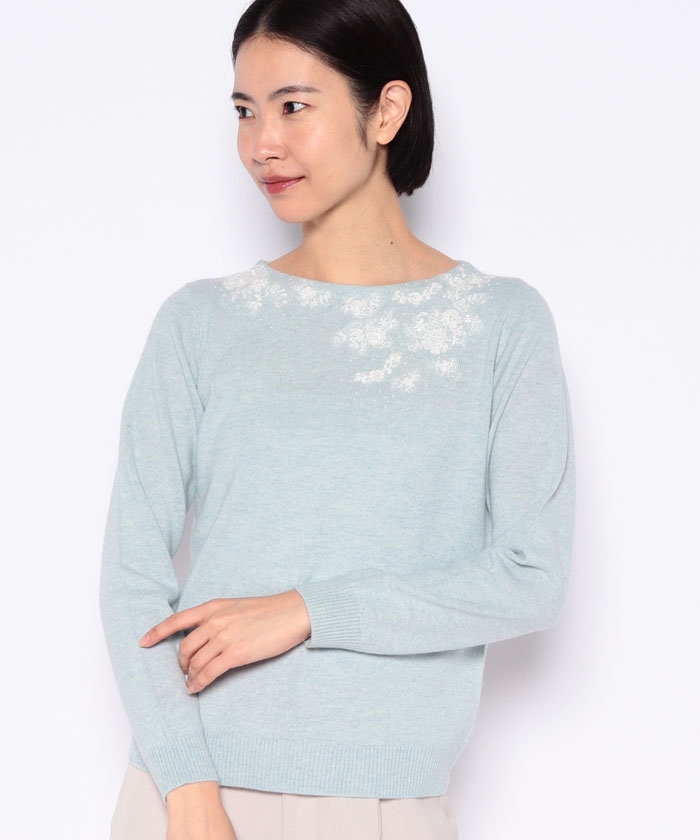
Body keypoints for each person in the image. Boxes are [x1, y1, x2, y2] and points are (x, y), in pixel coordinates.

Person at [101, 0, 575, 837]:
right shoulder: (201, 322)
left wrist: (308, 609)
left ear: (386, 111)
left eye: (293, 106)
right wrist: (186, 787)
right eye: (244, 112)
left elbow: (529, 578)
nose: (262, 144)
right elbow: (131, 576)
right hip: (191, 794)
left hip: (387, 805)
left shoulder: (501, 324)